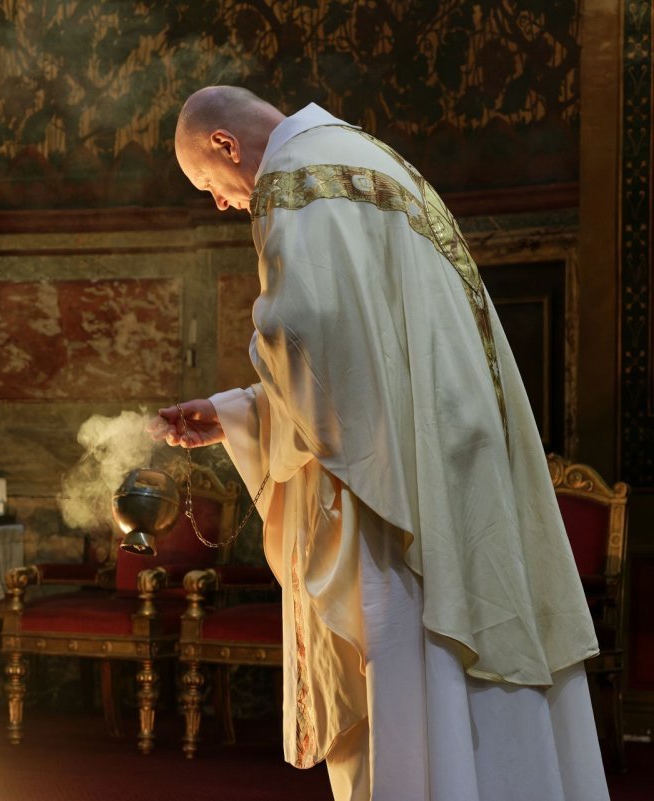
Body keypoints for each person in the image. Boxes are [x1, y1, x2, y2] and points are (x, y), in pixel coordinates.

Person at [155, 86, 609, 801]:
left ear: (224, 145)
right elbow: (366, 356)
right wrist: (236, 412)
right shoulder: (373, 160)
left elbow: (304, 331)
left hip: (392, 490)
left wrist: (258, 356)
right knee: (475, 665)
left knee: (412, 666)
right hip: (450, 453)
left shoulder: (294, 182)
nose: (219, 202)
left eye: (209, 185)